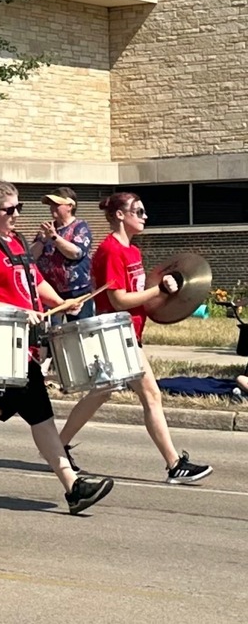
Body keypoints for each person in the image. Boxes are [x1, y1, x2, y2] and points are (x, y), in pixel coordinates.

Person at [0, 180, 114, 515]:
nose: (16, 214)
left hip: (19, 345)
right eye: (9, 209)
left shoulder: (18, 241)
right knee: (39, 411)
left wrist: (62, 301)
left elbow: (33, 279)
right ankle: (73, 486)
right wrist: (15, 311)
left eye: (18, 208)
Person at [58, 192, 214, 483]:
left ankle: (56, 447)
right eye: (138, 211)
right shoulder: (110, 251)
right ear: (120, 215)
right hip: (117, 329)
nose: (145, 216)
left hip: (130, 330)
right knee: (151, 395)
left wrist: (169, 300)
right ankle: (174, 464)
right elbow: (118, 300)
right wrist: (160, 291)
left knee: (102, 392)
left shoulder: (132, 251)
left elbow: (139, 295)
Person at [29, 187, 94, 323]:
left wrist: (55, 238)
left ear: (70, 206)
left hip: (77, 292)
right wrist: (42, 240)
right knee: (51, 333)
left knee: (79, 330)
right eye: (50, 205)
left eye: (57, 204)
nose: (52, 208)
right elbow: (31, 258)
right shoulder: (47, 229)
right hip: (51, 293)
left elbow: (76, 253)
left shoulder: (80, 227)